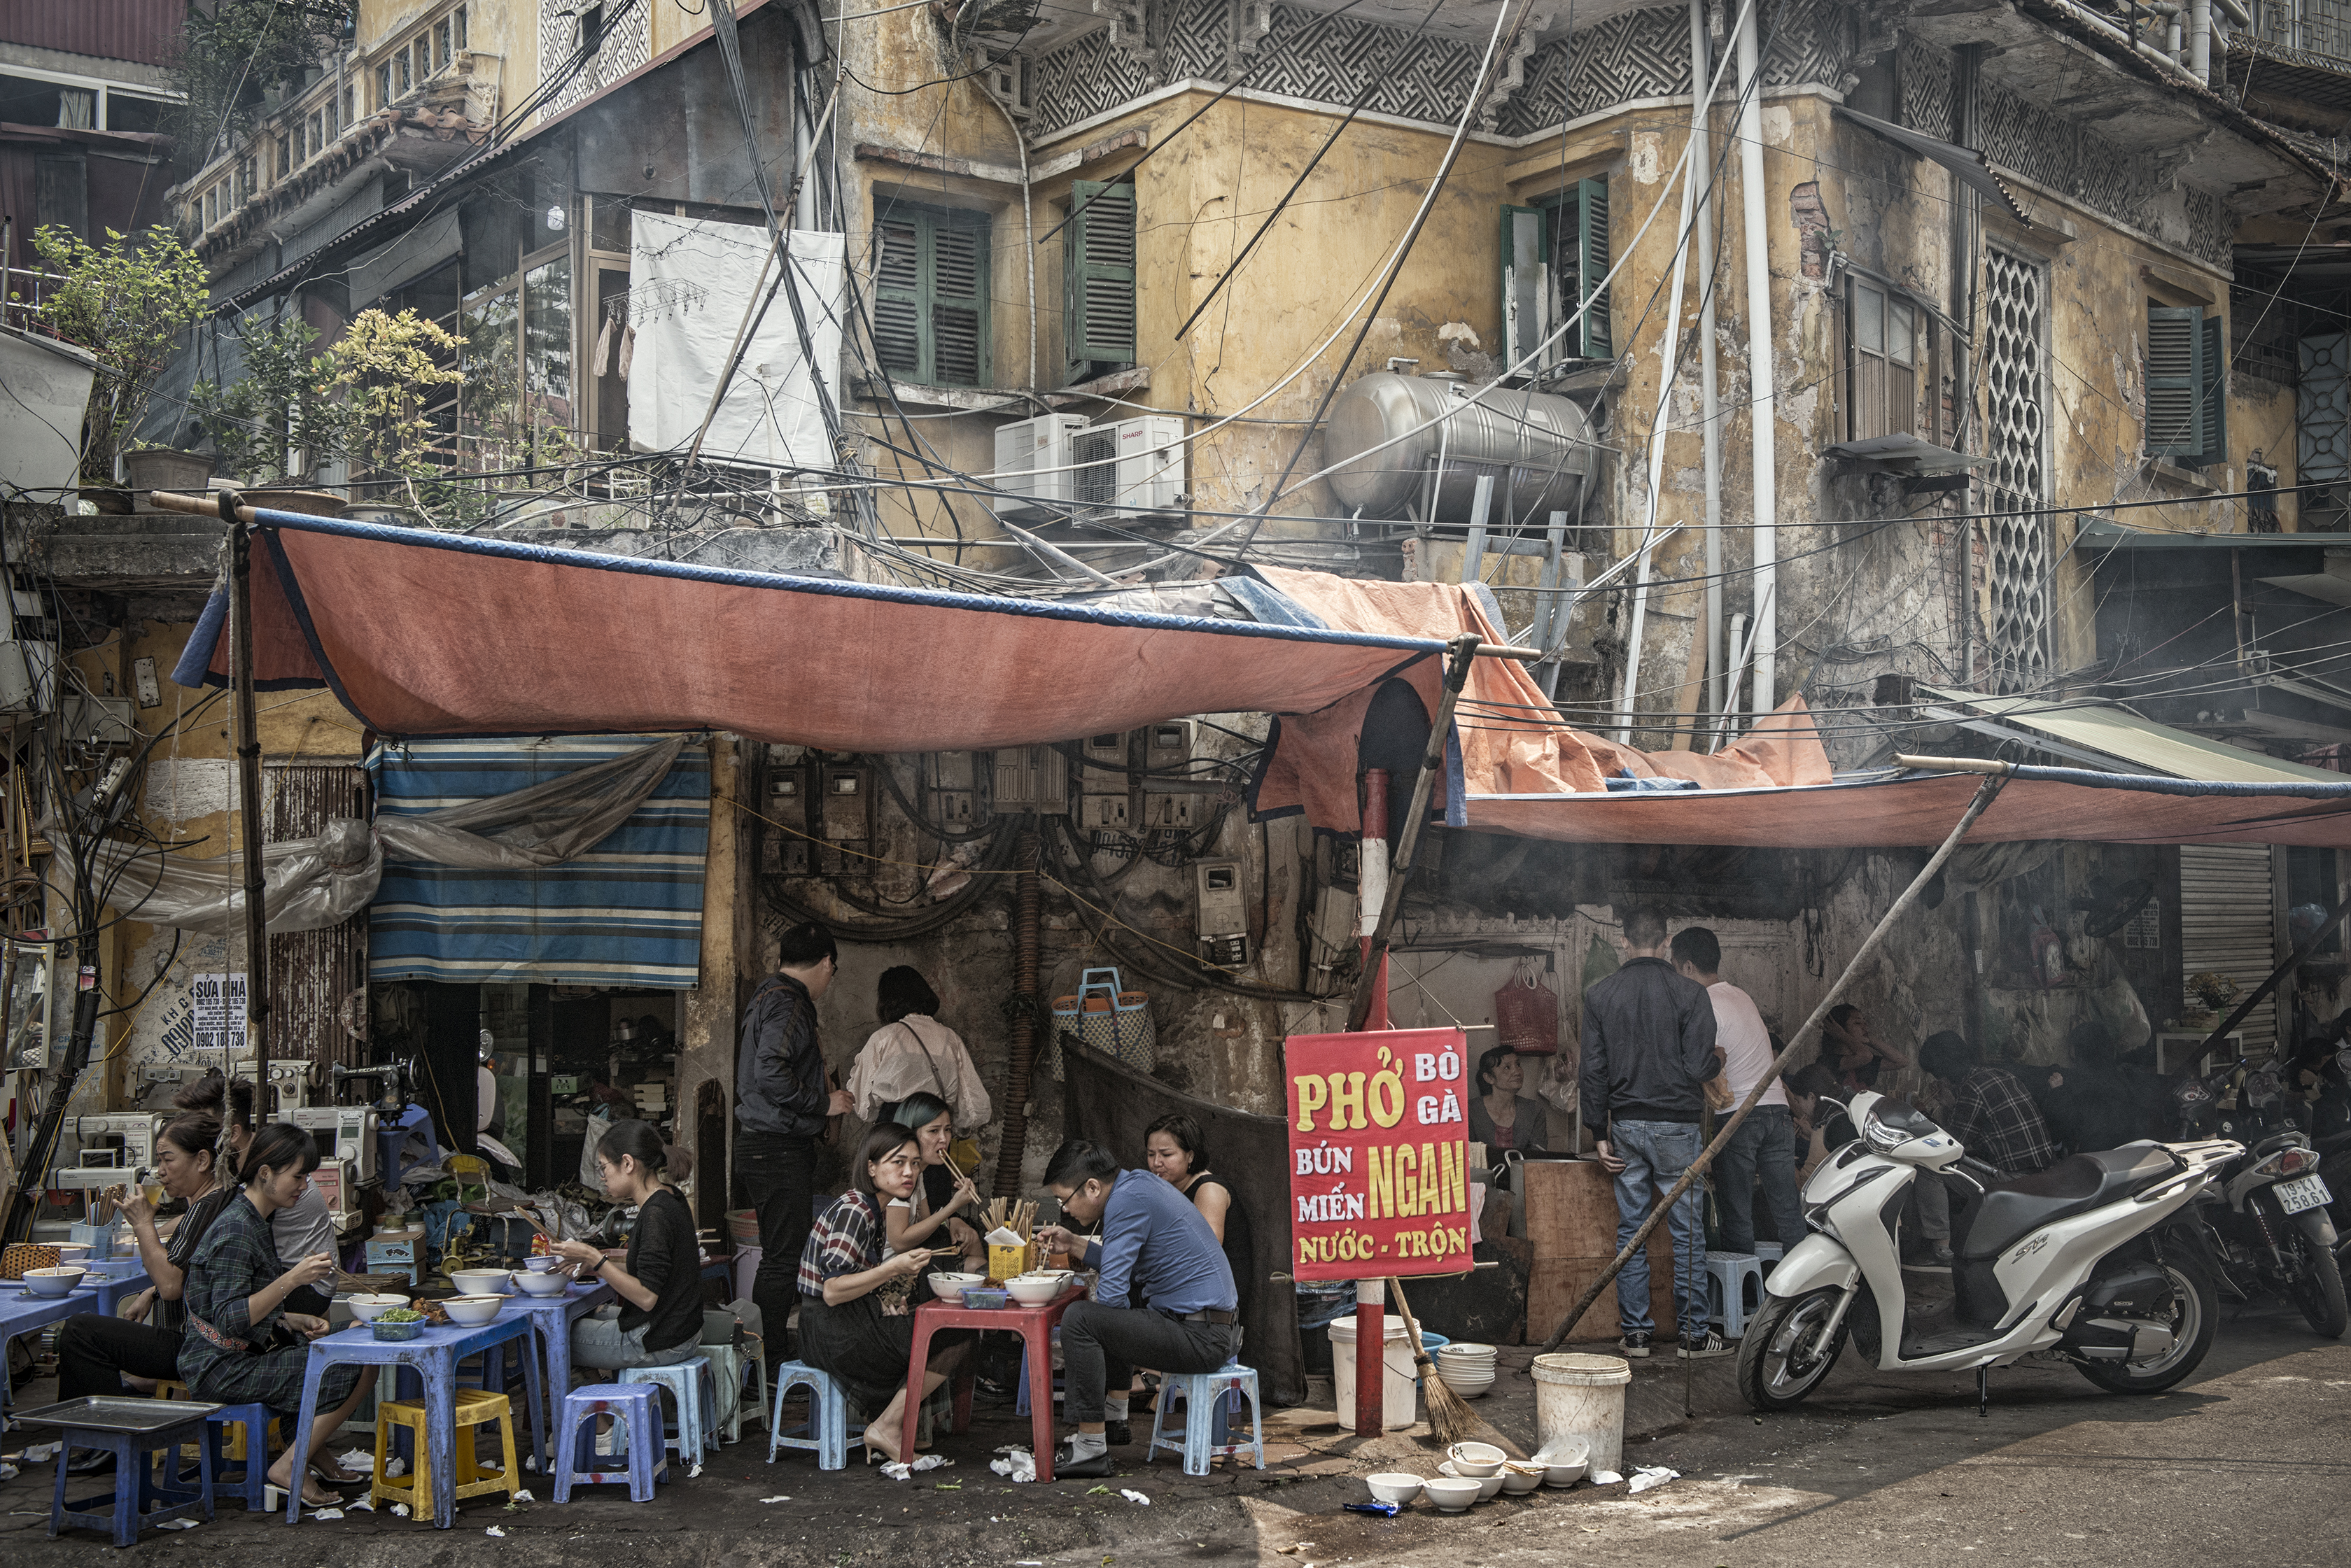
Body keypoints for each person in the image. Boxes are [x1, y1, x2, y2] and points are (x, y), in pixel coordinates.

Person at [178, 1124, 377, 1509]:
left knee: (358, 1334)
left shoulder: (257, 1219)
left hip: (248, 1351)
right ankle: (290, 1465)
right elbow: (230, 1319)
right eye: (298, 1176)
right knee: (352, 1357)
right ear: (265, 1173)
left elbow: (246, 1304)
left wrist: (293, 1319)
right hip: (221, 1366)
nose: (304, 1186)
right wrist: (293, 1278)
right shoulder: (237, 1228)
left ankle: (309, 1454)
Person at [1035, 1139, 1238, 1478]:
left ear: (1092, 1187)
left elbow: (1113, 1298)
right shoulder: (1137, 1186)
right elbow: (1121, 1267)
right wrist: (1073, 1242)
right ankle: (1114, 1419)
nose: (1065, 1210)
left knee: (1081, 1319)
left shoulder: (1126, 1202)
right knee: (1107, 1318)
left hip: (1201, 1337)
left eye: (1064, 1200)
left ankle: (1089, 1448)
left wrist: (1098, 1323)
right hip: (1210, 1329)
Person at [1579, 905, 1727, 1360]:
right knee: (1686, 1234)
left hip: (1624, 1125)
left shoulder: (1599, 994)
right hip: (1677, 1127)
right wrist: (1718, 1061)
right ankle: (1693, 1337)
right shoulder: (1690, 994)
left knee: (1632, 1232)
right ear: (1665, 943)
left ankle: (1637, 1336)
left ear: (1624, 941)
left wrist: (1595, 1130)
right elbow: (1700, 1065)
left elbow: (1593, 1070)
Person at [55, 1113, 235, 1475]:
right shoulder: (215, 1201)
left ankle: (109, 1441)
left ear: (202, 1160)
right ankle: (95, 1436)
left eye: (168, 1159)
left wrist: (142, 1224)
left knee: (80, 1331)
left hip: (193, 1345)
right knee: (91, 1336)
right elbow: (180, 1276)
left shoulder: (207, 1206)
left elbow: (172, 1286)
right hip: (204, 1338)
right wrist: (148, 1291)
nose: (161, 1170)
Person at [796, 1124, 975, 1463]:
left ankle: (887, 1422)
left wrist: (884, 1297)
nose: (909, 1172)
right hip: (829, 1327)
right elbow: (832, 1290)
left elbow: (856, 1278)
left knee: (927, 1323)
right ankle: (888, 1424)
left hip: (841, 1320)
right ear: (871, 1167)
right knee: (954, 1336)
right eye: (897, 1163)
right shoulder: (856, 1210)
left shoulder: (872, 1209)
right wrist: (894, 1269)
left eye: (914, 1163)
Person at [736, 920, 855, 1339]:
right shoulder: (790, 1003)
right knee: (783, 1258)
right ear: (826, 963)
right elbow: (769, 1070)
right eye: (833, 970)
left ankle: (760, 1355)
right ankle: (764, 1359)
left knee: (779, 1255)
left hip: (765, 1145)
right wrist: (825, 1103)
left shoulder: (767, 995)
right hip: (776, 1146)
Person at [1672, 926, 1802, 1256]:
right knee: (1788, 1212)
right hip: (1777, 1109)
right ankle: (1807, 1293)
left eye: (1675, 969)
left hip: (1740, 1116)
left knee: (1737, 1215)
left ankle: (1743, 1302)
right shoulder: (1740, 995)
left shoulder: (1704, 1003)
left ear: (1687, 967)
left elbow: (1700, 1063)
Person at [552, 1120, 705, 1376]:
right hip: (679, 1329)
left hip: (659, 1339)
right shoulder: (671, 1196)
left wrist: (595, 1257)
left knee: (547, 1338)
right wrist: (596, 1264)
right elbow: (651, 1268)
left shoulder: (656, 1214)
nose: (602, 1179)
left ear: (627, 1163)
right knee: (574, 1320)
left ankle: (595, 1414)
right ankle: (600, 1409)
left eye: (604, 1168)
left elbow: (647, 1297)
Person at [174, 1071, 335, 1313]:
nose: (193, 1137)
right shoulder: (246, 1167)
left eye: (202, 1130)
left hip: (306, 1286)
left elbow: (205, 1220)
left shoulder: (268, 1177)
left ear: (233, 1133)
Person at [1143, 1113, 1256, 1336]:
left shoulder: (1208, 1189)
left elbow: (1203, 1251)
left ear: (1190, 1156)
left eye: (1166, 1154)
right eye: (1151, 1154)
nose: (1157, 1163)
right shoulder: (1169, 1192)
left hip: (1212, 1311)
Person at [848, 966, 992, 1136]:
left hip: (894, 1128)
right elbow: (973, 1103)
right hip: (936, 1127)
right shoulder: (950, 1038)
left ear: (886, 1000)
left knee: (898, 1163)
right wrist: (956, 1127)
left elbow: (862, 1098)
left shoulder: (884, 1038)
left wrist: (877, 1115)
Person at [1921, 1031, 2061, 1178]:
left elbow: (1950, 1144)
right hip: (2048, 1172)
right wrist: (1951, 1104)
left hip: (2020, 1179)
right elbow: (1988, 1120)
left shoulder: (1971, 1088)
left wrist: (1922, 1115)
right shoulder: (2002, 1075)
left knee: (1929, 1165)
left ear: (1944, 1073)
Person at [883, 1091, 985, 1272]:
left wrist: (951, 1222)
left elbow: (927, 1222)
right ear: (911, 1133)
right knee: (977, 1268)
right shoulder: (897, 1173)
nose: (944, 1140)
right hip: (892, 1270)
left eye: (947, 1130)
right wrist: (952, 1207)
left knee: (972, 1239)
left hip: (914, 1257)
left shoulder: (918, 1172)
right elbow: (899, 1242)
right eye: (933, 1131)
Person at [1466, 1046, 1549, 1152]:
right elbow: (1468, 1157)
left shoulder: (1534, 1110)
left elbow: (1538, 1156)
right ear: (1489, 1078)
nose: (1517, 1071)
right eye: (1507, 1068)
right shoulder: (1471, 1111)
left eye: (1518, 1065)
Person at [1823, 1004, 1912, 1096]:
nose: (1864, 1027)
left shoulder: (1864, 1063)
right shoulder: (1828, 1061)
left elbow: (1902, 1061)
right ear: (1839, 1029)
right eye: (1857, 1023)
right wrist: (1843, 1035)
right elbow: (1866, 1056)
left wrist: (1868, 1038)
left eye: (1865, 1023)